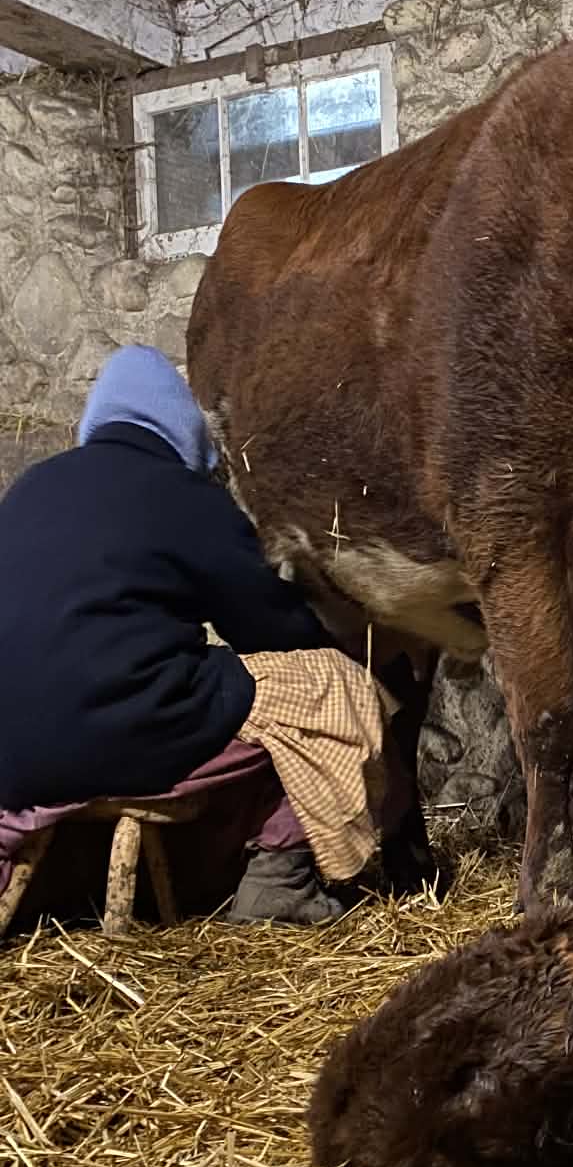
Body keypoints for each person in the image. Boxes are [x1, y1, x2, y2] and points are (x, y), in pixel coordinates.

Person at [0, 344, 394, 925]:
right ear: (181, 431)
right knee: (332, 687)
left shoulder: (31, 488)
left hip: (13, 762)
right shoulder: (184, 497)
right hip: (118, 739)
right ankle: (279, 880)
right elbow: (274, 630)